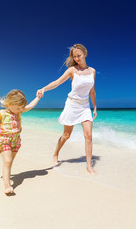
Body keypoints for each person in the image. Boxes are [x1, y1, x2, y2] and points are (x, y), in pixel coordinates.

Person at [37, 44, 97, 174]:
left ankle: (89, 166)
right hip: (72, 105)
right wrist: (44, 89)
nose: (77, 58)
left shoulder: (92, 71)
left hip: (85, 106)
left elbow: (92, 91)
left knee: (89, 136)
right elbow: (57, 82)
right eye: (74, 56)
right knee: (66, 135)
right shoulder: (72, 71)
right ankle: (55, 154)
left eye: (79, 55)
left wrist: (95, 107)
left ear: (85, 54)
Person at [0, 89, 41, 195]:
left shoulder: (19, 111)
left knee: (9, 162)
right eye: (18, 108)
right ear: (10, 103)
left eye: (21, 108)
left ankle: (5, 174)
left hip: (16, 141)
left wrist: (38, 97)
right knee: (8, 161)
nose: (20, 110)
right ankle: (7, 185)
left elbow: (30, 106)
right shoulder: (0, 114)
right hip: (4, 141)